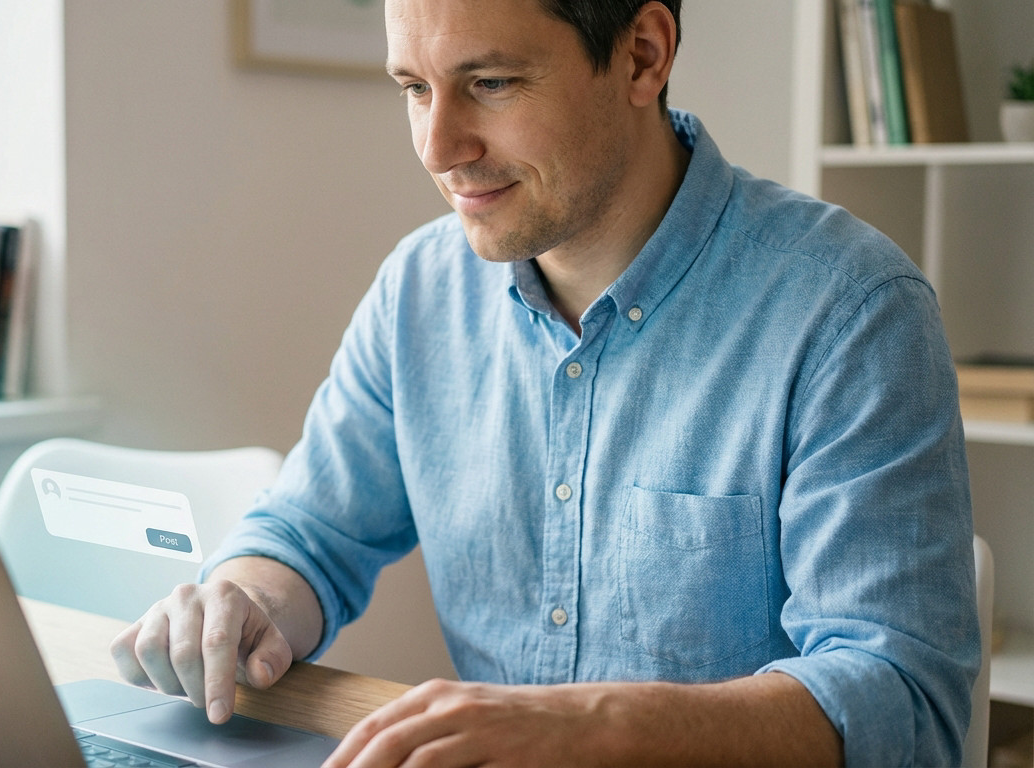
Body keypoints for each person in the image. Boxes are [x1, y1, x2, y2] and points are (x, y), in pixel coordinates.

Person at [111, 0, 980, 765]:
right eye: (414, 87)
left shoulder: (851, 309)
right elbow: (308, 532)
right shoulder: (421, 289)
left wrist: (590, 729)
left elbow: (901, 700)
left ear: (643, 53)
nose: (436, 147)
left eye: (489, 82)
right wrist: (246, 603)